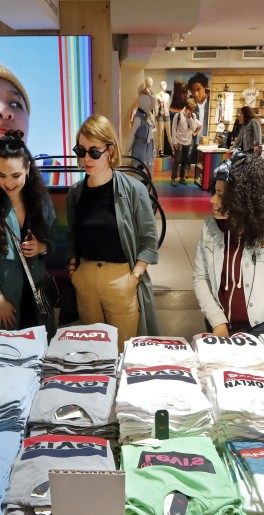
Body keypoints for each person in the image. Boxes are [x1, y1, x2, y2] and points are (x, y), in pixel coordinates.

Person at [66, 114, 159, 351]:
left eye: (94, 151)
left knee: (123, 352)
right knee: (93, 353)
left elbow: (149, 242)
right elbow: (74, 237)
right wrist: (75, 271)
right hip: (85, 280)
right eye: (81, 150)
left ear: (110, 150)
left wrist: (134, 277)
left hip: (121, 280)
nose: (86, 158)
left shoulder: (133, 190)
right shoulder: (76, 193)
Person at [192, 153, 264, 340]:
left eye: (221, 195)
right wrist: (217, 322)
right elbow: (200, 277)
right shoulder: (210, 228)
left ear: (245, 200)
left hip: (263, 327)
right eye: (214, 192)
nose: (212, 200)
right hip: (217, 325)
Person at [0, 130, 55, 335]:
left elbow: (52, 242)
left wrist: (42, 247)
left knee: (39, 351)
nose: (8, 183)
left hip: (35, 295)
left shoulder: (40, 200)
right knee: (1, 356)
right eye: (1, 175)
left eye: (16, 175)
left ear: (28, 169)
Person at [170, 99, 201, 186]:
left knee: (184, 161)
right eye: (190, 108)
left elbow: (192, 128)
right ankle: (173, 178)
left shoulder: (193, 116)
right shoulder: (178, 115)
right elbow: (173, 129)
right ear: (186, 107)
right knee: (177, 160)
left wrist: (190, 117)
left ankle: (182, 178)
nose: (191, 110)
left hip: (188, 142)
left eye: (192, 109)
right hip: (179, 141)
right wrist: (174, 142)